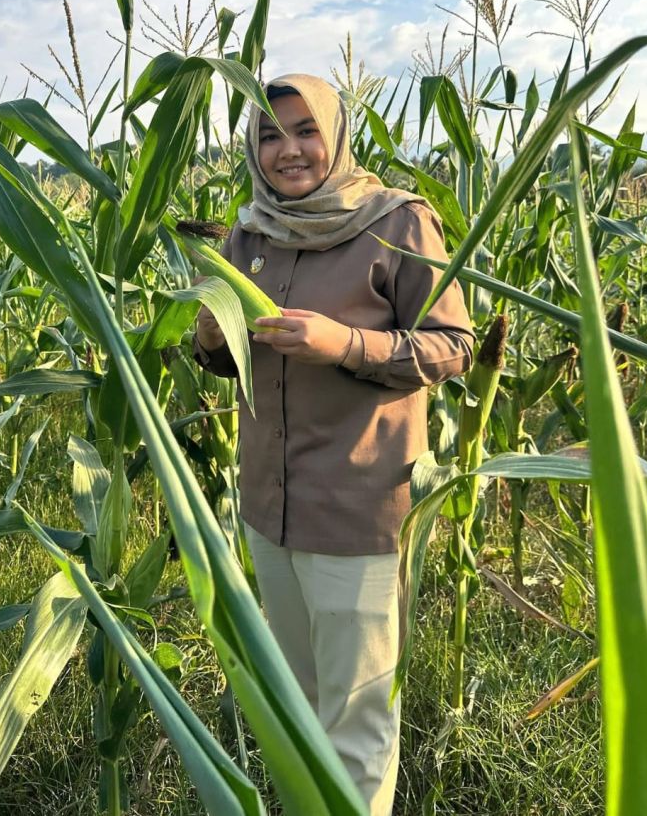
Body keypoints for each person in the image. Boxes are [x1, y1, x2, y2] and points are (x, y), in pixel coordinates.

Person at [193, 73, 475, 815]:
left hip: (356, 509)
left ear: (336, 134)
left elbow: (452, 348)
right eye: (269, 135)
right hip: (270, 508)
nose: (288, 150)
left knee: (355, 724)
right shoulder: (251, 231)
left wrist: (342, 342)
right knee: (300, 702)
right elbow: (230, 358)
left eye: (304, 130)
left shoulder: (397, 222)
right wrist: (210, 329)